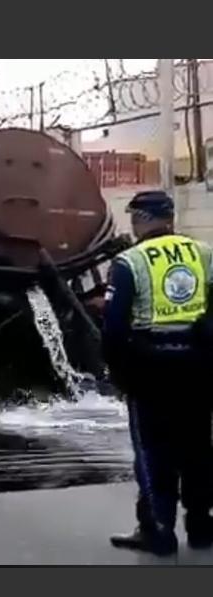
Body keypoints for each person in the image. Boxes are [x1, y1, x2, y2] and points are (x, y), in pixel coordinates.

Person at [103, 190, 213, 557]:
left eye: (135, 217)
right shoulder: (204, 253)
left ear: (143, 220)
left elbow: (114, 328)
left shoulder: (129, 262)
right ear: (171, 218)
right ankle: (201, 526)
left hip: (150, 369)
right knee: (198, 448)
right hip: (198, 368)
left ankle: (158, 530)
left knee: (153, 454)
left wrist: (119, 375)